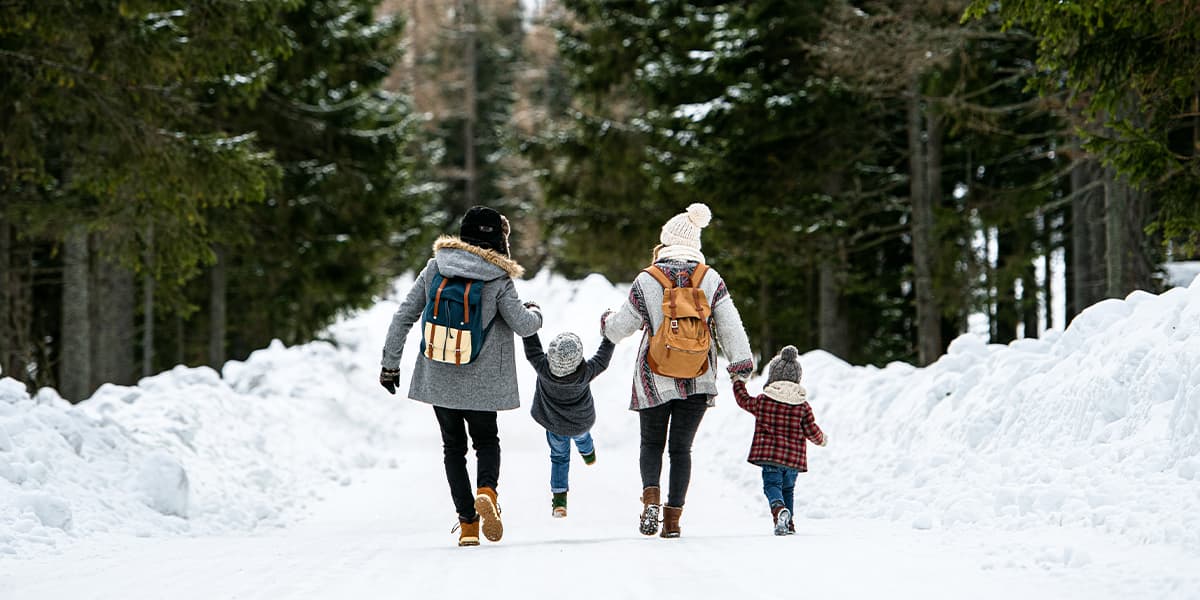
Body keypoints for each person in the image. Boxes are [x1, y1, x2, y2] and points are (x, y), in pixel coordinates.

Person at [379, 206, 542, 547]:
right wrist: (536, 312)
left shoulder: (436, 267)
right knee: (486, 442)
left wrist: (390, 364)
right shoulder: (498, 277)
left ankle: (468, 525)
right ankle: (487, 492)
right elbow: (524, 325)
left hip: (440, 375)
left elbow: (404, 315)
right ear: (498, 239)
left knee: (453, 447)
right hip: (484, 382)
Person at [602, 203, 754, 538]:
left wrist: (606, 324)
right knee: (681, 450)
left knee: (651, 444)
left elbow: (620, 328)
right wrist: (741, 367)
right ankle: (672, 521)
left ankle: (650, 500)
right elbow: (730, 326)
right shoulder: (710, 278)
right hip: (699, 376)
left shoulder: (647, 279)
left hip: (653, 377)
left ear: (666, 242)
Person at [521, 318, 615, 518]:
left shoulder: (542, 368)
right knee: (583, 438)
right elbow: (602, 359)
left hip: (555, 427)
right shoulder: (585, 373)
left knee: (559, 457)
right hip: (581, 423)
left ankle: (560, 501)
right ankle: (588, 454)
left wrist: (528, 319)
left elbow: (532, 348)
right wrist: (610, 336)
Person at [732, 345, 827, 535]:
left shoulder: (763, 401)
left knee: (772, 486)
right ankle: (788, 524)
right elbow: (811, 430)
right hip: (793, 460)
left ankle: (778, 510)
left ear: (773, 376)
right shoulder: (803, 406)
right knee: (788, 490)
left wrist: (738, 381)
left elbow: (743, 400)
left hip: (770, 457)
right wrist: (821, 439)